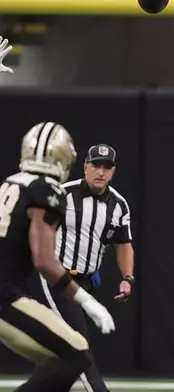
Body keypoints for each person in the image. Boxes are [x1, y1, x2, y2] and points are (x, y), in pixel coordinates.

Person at [0, 122, 115, 392]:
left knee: (62, 356)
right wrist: (87, 301)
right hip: (5, 298)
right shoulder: (46, 191)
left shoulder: (9, 184)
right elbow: (44, 260)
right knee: (76, 355)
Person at [30, 143, 135, 392]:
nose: (101, 172)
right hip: (56, 279)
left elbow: (123, 244)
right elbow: (36, 232)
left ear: (113, 171)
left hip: (86, 283)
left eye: (106, 167)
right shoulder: (62, 194)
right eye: (95, 166)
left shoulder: (118, 205)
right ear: (85, 167)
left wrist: (127, 278)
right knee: (79, 344)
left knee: (58, 351)